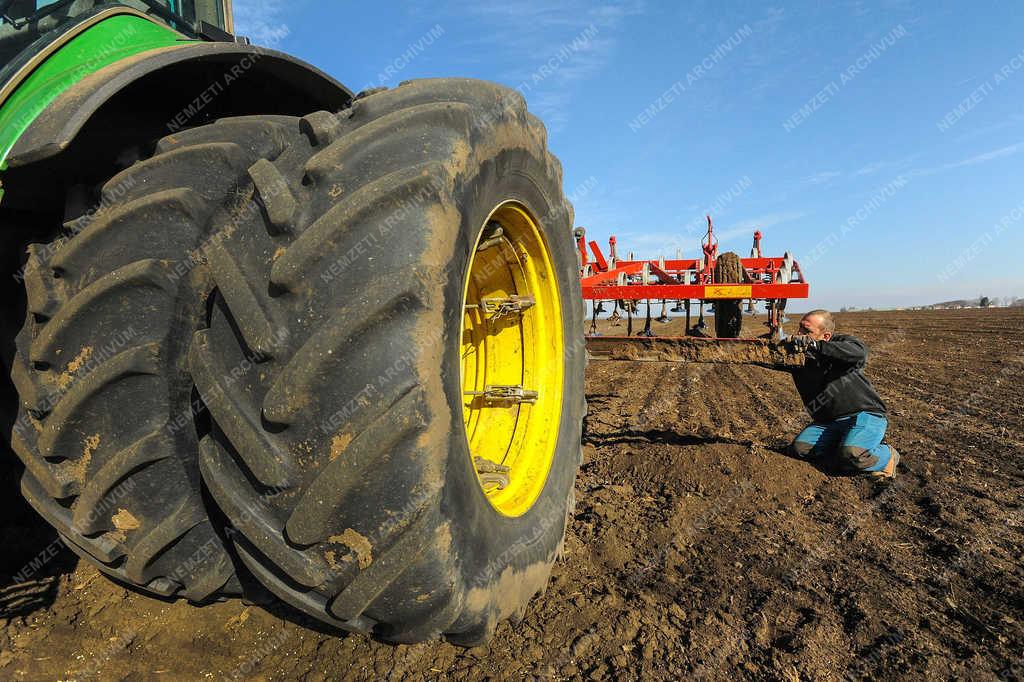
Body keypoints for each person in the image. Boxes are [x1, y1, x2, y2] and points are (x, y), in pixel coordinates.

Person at [786, 309, 899, 478]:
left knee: (853, 454)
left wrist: (816, 346)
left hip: (864, 415)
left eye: (807, 331)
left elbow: (859, 352)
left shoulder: (841, 344)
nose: (799, 334)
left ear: (825, 336)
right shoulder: (798, 355)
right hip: (829, 422)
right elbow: (767, 355)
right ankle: (845, 450)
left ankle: (888, 455)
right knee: (800, 449)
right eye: (799, 328)